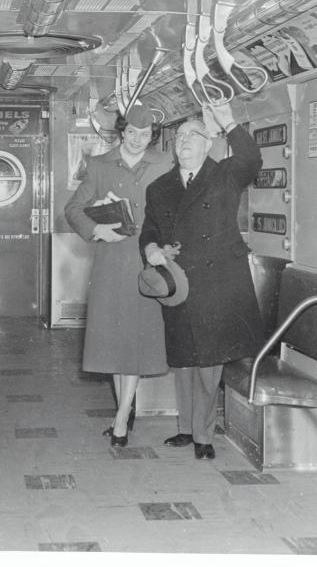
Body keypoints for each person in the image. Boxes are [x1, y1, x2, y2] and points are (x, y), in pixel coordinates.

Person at [140, 101, 263, 460]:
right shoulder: (159, 188)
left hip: (216, 282)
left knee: (209, 362)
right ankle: (185, 427)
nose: (184, 142)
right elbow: (150, 228)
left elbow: (251, 160)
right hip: (178, 282)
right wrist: (150, 248)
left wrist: (227, 121)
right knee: (183, 359)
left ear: (209, 142)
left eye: (193, 135)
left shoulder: (224, 175)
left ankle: (204, 435)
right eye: (179, 137)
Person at [64, 103, 173, 447]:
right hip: (112, 263)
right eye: (132, 133)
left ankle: (122, 416)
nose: (138, 140)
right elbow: (72, 209)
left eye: (145, 134)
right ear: (121, 132)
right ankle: (124, 412)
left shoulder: (166, 164)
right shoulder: (99, 166)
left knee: (136, 342)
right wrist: (97, 230)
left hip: (149, 264)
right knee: (115, 343)